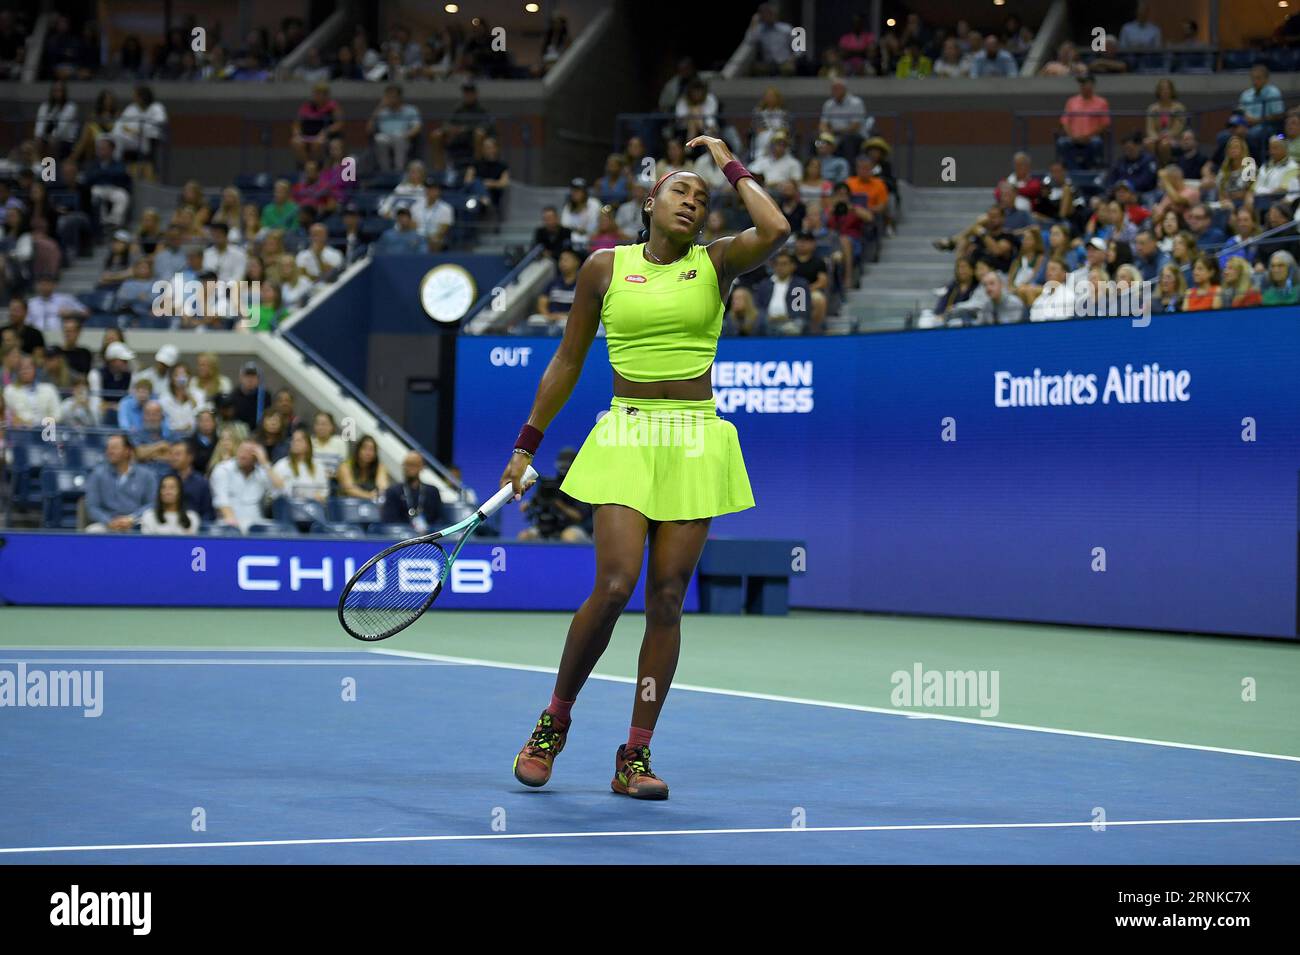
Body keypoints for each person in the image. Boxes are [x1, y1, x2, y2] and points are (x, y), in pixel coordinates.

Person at [502, 132, 785, 799]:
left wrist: (726, 162)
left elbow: (774, 225)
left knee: (666, 597)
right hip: (627, 432)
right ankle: (554, 720)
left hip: (693, 439)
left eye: (703, 196)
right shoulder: (605, 267)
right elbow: (568, 361)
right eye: (680, 189)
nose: (694, 200)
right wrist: (525, 446)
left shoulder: (717, 262)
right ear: (650, 202)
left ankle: (635, 755)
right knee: (615, 583)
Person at [85, 434, 157, 532]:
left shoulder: (147, 475)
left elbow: (152, 504)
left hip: (137, 524)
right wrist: (109, 521)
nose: (109, 452)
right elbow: (92, 508)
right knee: (93, 531)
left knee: (150, 529)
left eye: (114, 448)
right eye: (108, 448)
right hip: (107, 524)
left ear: (127, 451)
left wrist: (131, 519)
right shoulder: (97, 474)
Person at [210, 439, 276, 531]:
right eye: (241, 450)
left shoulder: (262, 474)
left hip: (257, 526)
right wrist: (236, 529)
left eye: (248, 452)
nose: (243, 455)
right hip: (228, 527)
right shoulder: (223, 470)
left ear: (256, 456)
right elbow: (222, 501)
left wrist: (264, 462)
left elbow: (280, 491)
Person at [380, 450, 444, 531]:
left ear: (422, 467)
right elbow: (389, 521)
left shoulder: (432, 492)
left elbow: (439, 520)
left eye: (414, 464)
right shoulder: (393, 491)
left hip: (428, 537)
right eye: (407, 465)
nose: (410, 468)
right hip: (401, 538)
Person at [1058, 73, 1110, 169]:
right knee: (1062, 142)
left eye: (1085, 83)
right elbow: (1065, 122)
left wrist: (1088, 136)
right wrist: (1072, 136)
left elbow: (1104, 124)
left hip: (1091, 138)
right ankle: (1074, 172)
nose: (1082, 86)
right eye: (1081, 84)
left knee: (1096, 142)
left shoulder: (1101, 102)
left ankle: (1089, 170)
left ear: (1092, 85)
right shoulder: (1071, 101)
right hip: (1073, 138)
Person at [272, 427, 329, 503]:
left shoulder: (318, 466)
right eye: (293, 440)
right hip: (288, 506)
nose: (295, 443)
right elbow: (274, 492)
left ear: (308, 445)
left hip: (312, 507)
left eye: (299, 440)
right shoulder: (282, 464)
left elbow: (323, 492)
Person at [3, 354, 59, 425]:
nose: (25, 371)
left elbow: (57, 415)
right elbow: (6, 414)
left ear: (35, 369)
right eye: (21, 368)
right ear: (17, 371)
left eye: (28, 368)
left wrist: (42, 424)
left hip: (45, 431)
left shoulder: (49, 389)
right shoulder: (9, 390)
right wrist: (22, 422)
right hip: (19, 432)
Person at [142, 470, 201, 535]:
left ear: (180, 491)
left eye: (172, 488)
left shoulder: (191, 517)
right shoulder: (149, 516)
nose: (167, 492)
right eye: (163, 487)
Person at [337, 433, 391, 500]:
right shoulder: (345, 466)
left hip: (370, 505)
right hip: (348, 503)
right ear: (358, 450)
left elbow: (382, 488)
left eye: (371, 450)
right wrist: (368, 495)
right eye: (365, 449)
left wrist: (378, 492)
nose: (368, 453)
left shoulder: (380, 467)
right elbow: (349, 489)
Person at [311, 410, 347, 479]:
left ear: (332, 426)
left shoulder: (340, 442)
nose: (320, 427)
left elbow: (344, 469)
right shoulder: (308, 442)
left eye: (324, 424)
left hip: (334, 482)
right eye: (318, 424)